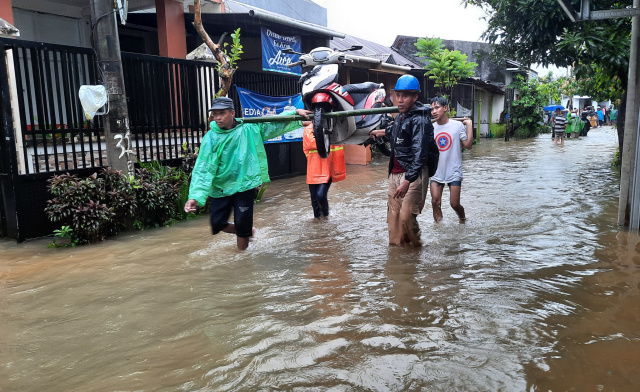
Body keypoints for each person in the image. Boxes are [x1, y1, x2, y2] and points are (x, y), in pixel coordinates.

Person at [184, 97, 311, 250]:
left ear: (232, 113)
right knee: (217, 224)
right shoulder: (211, 138)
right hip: (221, 187)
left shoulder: (248, 129)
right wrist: (195, 197)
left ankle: (242, 256)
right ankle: (248, 232)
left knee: (242, 221)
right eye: (215, 114)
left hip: (245, 184)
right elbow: (203, 168)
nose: (217, 117)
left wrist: (295, 112)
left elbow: (272, 124)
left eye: (222, 113)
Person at [369, 74, 439, 247]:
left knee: (406, 218)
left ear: (415, 97)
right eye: (397, 95)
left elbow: (420, 154)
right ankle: (398, 258)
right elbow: (397, 133)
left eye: (405, 96)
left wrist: (408, 180)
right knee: (393, 221)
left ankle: (416, 250)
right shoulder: (400, 117)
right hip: (395, 173)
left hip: (413, 174)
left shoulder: (420, 120)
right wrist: (381, 133)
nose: (400, 100)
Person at [429, 96, 473, 223]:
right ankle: (440, 229)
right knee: (434, 202)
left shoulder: (457, 126)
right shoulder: (431, 127)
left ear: (445, 108)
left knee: (454, 204)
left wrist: (469, 125)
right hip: (437, 171)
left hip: (454, 170)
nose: (434, 111)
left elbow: (468, 145)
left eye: (437, 108)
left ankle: (462, 219)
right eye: (432, 109)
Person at [302, 123, 346, 219]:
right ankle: (319, 224)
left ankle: (325, 217)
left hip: (329, 168)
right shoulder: (308, 129)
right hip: (314, 169)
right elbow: (311, 143)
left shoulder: (334, 128)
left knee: (320, 195)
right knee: (314, 200)